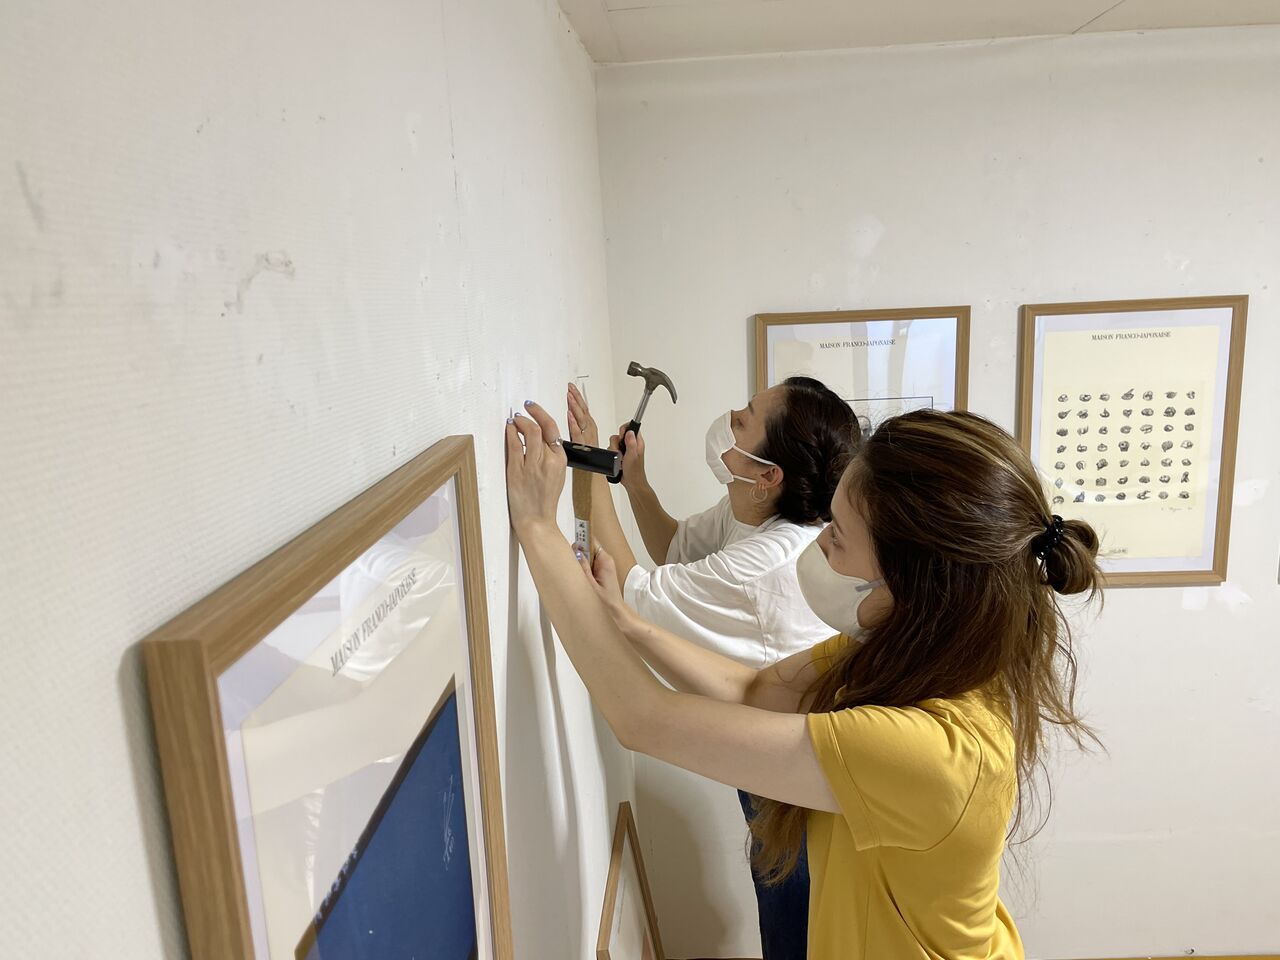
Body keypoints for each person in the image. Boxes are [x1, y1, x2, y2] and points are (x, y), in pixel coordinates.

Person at [505, 403, 1102, 960]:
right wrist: (633, 626)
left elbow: (642, 719)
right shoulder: (918, 653)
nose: (818, 544)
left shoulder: (930, 752)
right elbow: (756, 692)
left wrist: (536, 525)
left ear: (911, 581)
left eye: (837, 535)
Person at [566, 378, 859, 959]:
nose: (729, 416)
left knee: (794, 920)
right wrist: (635, 482)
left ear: (768, 474)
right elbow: (676, 550)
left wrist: (590, 464)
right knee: (780, 900)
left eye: (744, 417)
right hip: (772, 742)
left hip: (797, 778)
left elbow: (630, 593)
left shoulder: (769, 561)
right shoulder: (749, 507)